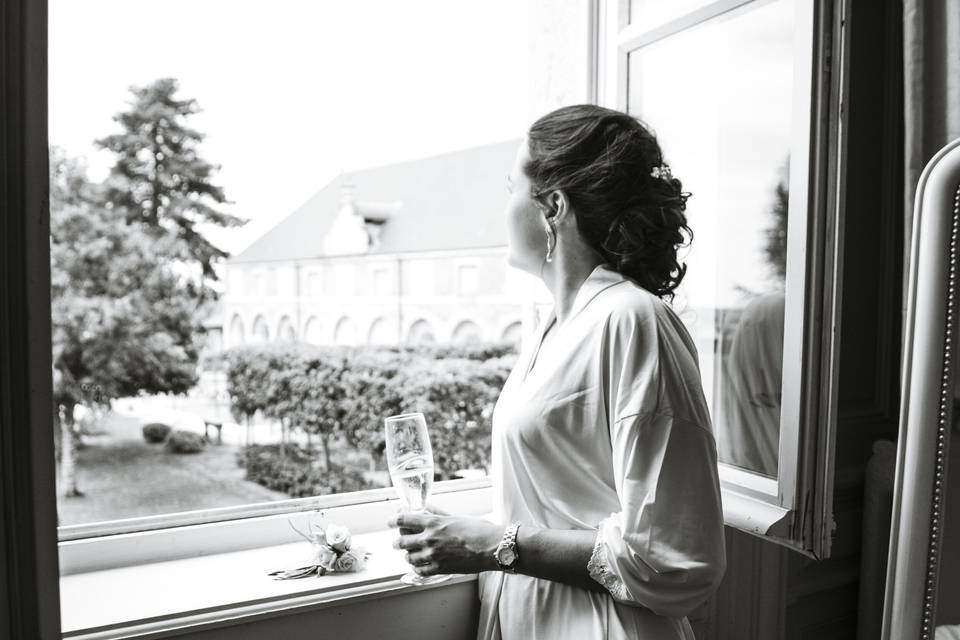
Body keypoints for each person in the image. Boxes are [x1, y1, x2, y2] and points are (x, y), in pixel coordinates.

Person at [387, 104, 726, 639]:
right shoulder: (552, 326)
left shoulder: (633, 322)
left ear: (554, 207)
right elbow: (559, 492)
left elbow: (674, 556)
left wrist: (491, 544)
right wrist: (462, 533)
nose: (503, 208)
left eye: (510, 188)